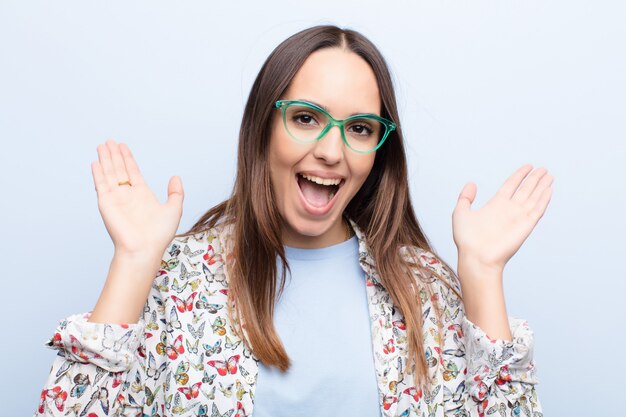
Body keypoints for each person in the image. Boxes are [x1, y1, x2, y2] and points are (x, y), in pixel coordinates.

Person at [34, 25, 552, 417]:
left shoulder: (423, 289)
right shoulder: (178, 278)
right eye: (306, 118)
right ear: (264, 125)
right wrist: (132, 262)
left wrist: (482, 274)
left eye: (359, 127)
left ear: (378, 149)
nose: (331, 151)